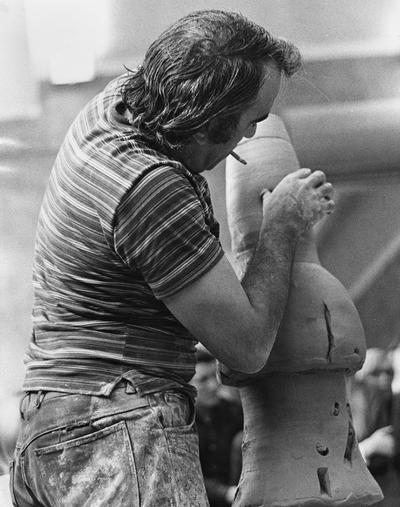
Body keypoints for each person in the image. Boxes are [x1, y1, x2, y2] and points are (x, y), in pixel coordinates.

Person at [10, 9, 334, 506]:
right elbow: (247, 349)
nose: (250, 139)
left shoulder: (114, 106)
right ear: (206, 125)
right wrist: (282, 227)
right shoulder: (149, 188)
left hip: (55, 427)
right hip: (117, 435)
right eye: (251, 122)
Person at [191, 346, 243, 506]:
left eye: (215, 376)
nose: (214, 385)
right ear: (187, 385)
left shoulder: (233, 411)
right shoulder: (182, 424)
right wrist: (225, 493)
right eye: (203, 380)